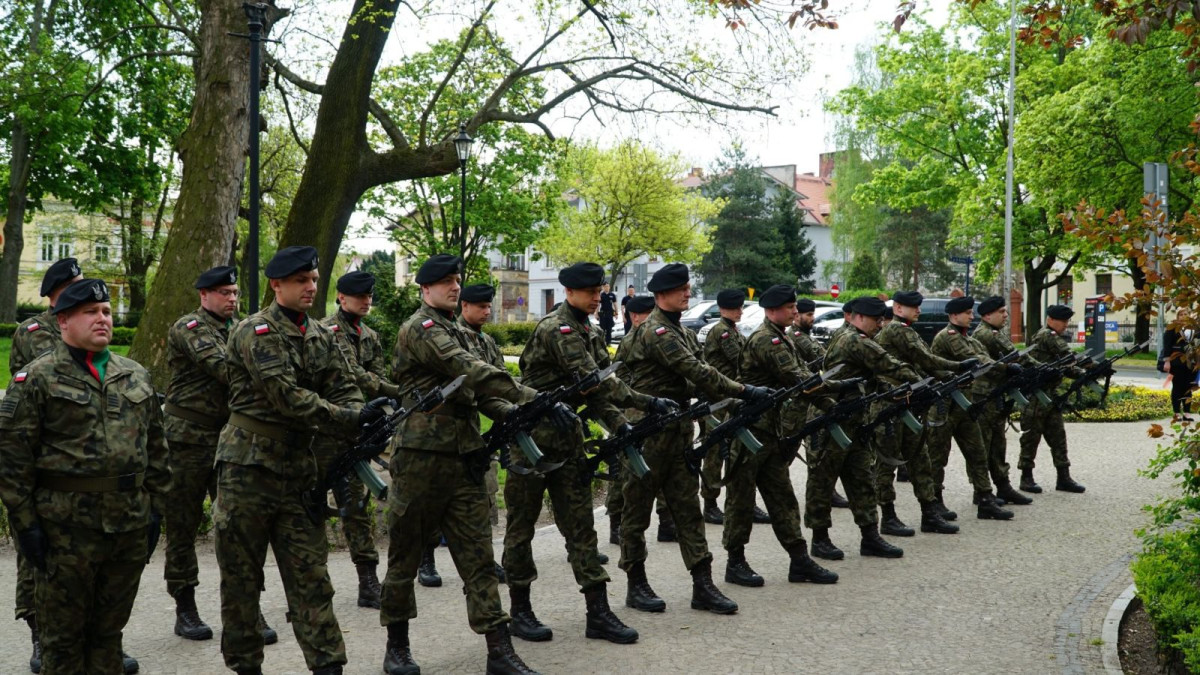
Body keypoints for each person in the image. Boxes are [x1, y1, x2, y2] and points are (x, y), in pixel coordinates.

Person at [379, 254, 575, 675]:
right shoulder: (422, 329)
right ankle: (397, 646)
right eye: (445, 282)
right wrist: (533, 396)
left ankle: (499, 651)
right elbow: (469, 371)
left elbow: (482, 397)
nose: (455, 286)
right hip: (421, 461)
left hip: (464, 458)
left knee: (479, 559)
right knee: (404, 558)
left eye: (457, 279)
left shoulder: (456, 330)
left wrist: (524, 412)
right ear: (425, 288)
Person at [215, 246, 374, 675]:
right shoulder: (255, 331)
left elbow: (344, 384)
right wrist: (350, 417)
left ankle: (328, 666)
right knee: (242, 581)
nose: (311, 287)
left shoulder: (322, 335)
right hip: (248, 470)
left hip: (299, 472)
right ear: (277, 284)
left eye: (314, 280)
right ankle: (246, 666)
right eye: (301, 280)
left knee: (312, 578)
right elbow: (287, 397)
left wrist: (362, 413)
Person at [0, 278, 170, 674]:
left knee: (109, 636)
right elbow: (12, 460)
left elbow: (157, 451)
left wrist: (155, 512)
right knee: (62, 643)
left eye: (106, 311)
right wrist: (26, 527)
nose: (102, 319)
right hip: (65, 531)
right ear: (63, 320)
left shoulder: (135, 375)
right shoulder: (36, 378)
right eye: (90, 312)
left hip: (127, 527)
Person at [505, 263, 675, 645]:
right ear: (569, 292)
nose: (598, 297)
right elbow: (599, 384)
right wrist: (647, 402)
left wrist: (622, 426)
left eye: (599, 290)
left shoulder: (591, 332)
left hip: (568, 443)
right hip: (531, 444)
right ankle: (520, 610)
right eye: (590, 291)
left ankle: (598, 612)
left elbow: (595, 396)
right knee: (520, 529)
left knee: (582, 528)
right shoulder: (558, 329)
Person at [618, 263, 757, 616]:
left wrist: (733, 401)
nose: (688, 293)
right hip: (648, 433)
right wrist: (744, 391)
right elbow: (697, 371)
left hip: (676, 432)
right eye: (681, 289)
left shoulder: (680, 331)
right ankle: (636, 583)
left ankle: (702, 584)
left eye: (687, 287)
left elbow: (696, 382)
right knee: (636, 513)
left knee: (688, 510)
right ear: (662, 294)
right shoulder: (656, 332)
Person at [723, 284, 840, 587]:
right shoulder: (767, 339)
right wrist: (835, 396)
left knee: (783, 498)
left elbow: (804, 376)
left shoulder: (782, 336)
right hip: (750, 432)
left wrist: (830, 401)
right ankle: (735, 562)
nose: (795, 312)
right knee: (740, 499)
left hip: (771, 431)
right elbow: (799, 379)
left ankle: (799, 560)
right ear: (772, 310)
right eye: (790, 307)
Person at [6, 257, 84, 673]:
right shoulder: (33, 332)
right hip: (44, 455)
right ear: (58, 292)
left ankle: (95, 641)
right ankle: (39, 635)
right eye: (76, 284)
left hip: (84, 456)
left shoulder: (88, 326)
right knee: (35, 556)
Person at [314, 270, 404, 609]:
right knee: (311, 506)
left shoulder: (370, 335)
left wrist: (384, 405)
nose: (367, 301)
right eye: (360, 296)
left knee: (356, 507)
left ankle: (368, 582)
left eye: (369, 296)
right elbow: (353, 374)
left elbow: (375, 375)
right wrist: (394, 391)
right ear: (341, 297)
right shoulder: (325, 331)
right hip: (323, 432)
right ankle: (312, 582)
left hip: (355, 432)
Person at [806, 296, 919, 561]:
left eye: (882, 320)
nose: (880, 325)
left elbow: (871, 377)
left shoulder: (853, 336)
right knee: (822, 482)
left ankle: (870, 536)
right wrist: (920, 381)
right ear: (858, 318)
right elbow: (889, 365)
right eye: (875, 320)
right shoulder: (855, 340)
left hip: (853, 422)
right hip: (831, 421)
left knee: (862, 479)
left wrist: (891, 390)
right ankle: (819, 539)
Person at [163, 266, 239, 643]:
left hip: (226, 439)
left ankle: (243, 608)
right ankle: (185, 607)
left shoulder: (239, 328)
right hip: (187, 441)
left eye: (235, 292)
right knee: (183, 524)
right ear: (204, 295)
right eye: (224, 292)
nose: (232, 298)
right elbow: (225, 368)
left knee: (235, 525)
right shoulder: (189, 327)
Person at [872, 291, 972, 537]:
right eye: (913, 306)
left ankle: (929, 512)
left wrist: (948, 377)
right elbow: (926, 359)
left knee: (920, 458)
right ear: (898, 308)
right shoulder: (897, 330)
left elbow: (921, 365)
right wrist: (958, 367)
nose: (918, 310)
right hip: (890, 406)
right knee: (887, 463)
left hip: (907, 404)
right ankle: (888, 516)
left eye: (918, 306)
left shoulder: (906, 329)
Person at [928, 296, 1017, 522]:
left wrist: (1005, 367)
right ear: (953, 316)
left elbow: (983, 357)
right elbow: (975, 359)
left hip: (964, 405)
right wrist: (1005, 368)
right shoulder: (948, 336)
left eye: (971, 312)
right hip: (945, 406)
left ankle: (985, 499)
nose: (971, 316)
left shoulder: (967, 337)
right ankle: (934, 501)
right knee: (938, 456)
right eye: (967, 313)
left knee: (978, 452)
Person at [458, 283, 512, 583]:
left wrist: (512, 411)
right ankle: (426, 560)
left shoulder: (487, 341)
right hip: (450, 432)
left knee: (483, 498)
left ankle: (485, 559)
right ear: (464, 306)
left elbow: (500, 381)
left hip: (478, 433)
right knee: (434, 504)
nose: (487, 311)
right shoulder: (453, 337)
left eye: (489, 306)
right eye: (481, 306)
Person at [607, 296, 671, 545]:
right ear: (634, 317)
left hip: (660, 411)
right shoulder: (631, 341)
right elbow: (619, 380)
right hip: (635, 413)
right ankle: (616, 523)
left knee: (664, 469)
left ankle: (667, 522)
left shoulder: (657, 336)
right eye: (647, 313)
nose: (653, 318)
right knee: (626, 472)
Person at [699, 289, 760, 526]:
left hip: (733, 398)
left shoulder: (732, 330)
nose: (740, 311)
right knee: (715, 452)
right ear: (724, 308)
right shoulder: (722, 332)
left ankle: (744, 502)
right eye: (736, 308)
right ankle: (710, 504)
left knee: (739, 452)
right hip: (718, 400)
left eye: (741, 307)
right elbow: (741, 361)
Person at [972, 296, 1037, 506]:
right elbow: (1015, 355)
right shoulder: (986, 334)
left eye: (1006, 311)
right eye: (1001, 312)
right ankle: (982, 490)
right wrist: (1037, 368)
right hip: (985, 396)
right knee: (985, 445)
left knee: (997, 443)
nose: (1006, 315)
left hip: (995, 394)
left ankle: (1002, 486)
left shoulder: (993, 332)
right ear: (987, 315)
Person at [1018, 304, 1088, 494]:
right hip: (1037, 396)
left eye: (1067, 320)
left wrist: (1082, 374)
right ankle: (1026, 477)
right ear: (1050, 320)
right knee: (1031, 438)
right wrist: (1086, 366)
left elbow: (1065, 366)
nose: (1066, 324)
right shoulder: (1047, 335)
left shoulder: (1053, 336)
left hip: (1051, 395)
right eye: (1062, 320)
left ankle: (1063, 477)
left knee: (1058, 437)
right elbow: (1068, 357)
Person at [1160, 309, 1196, 422]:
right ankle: (1176, 413)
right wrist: (1167, 361)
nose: (1183, 316)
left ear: (1189, 316)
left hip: (1191, 362)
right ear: (1177, 316)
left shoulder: (1194, 328)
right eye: (1181, 314)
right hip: (1176, 361)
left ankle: (1187, 413)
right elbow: (1167, 345)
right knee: (1177, 387)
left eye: (1186, 314)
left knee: (1188, 388)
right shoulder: (1172, 328)